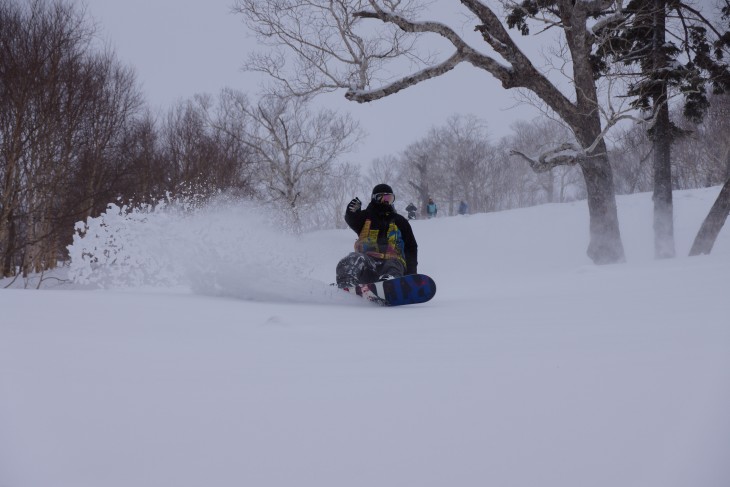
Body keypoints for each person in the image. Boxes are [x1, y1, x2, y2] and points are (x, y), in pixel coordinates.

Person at [336, 184, 418, 289]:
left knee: (393, 264)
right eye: (383, 198)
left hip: (393, 261)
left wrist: (411, 275)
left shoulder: (400, 221)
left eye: (390, 198)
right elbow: (352, 220)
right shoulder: (365, 217)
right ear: (375, 198)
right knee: (354, 258)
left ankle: (388, 283)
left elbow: (411, 247)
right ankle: (346, 283)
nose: (386, 201)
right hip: (369, 264)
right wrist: (351, 212)